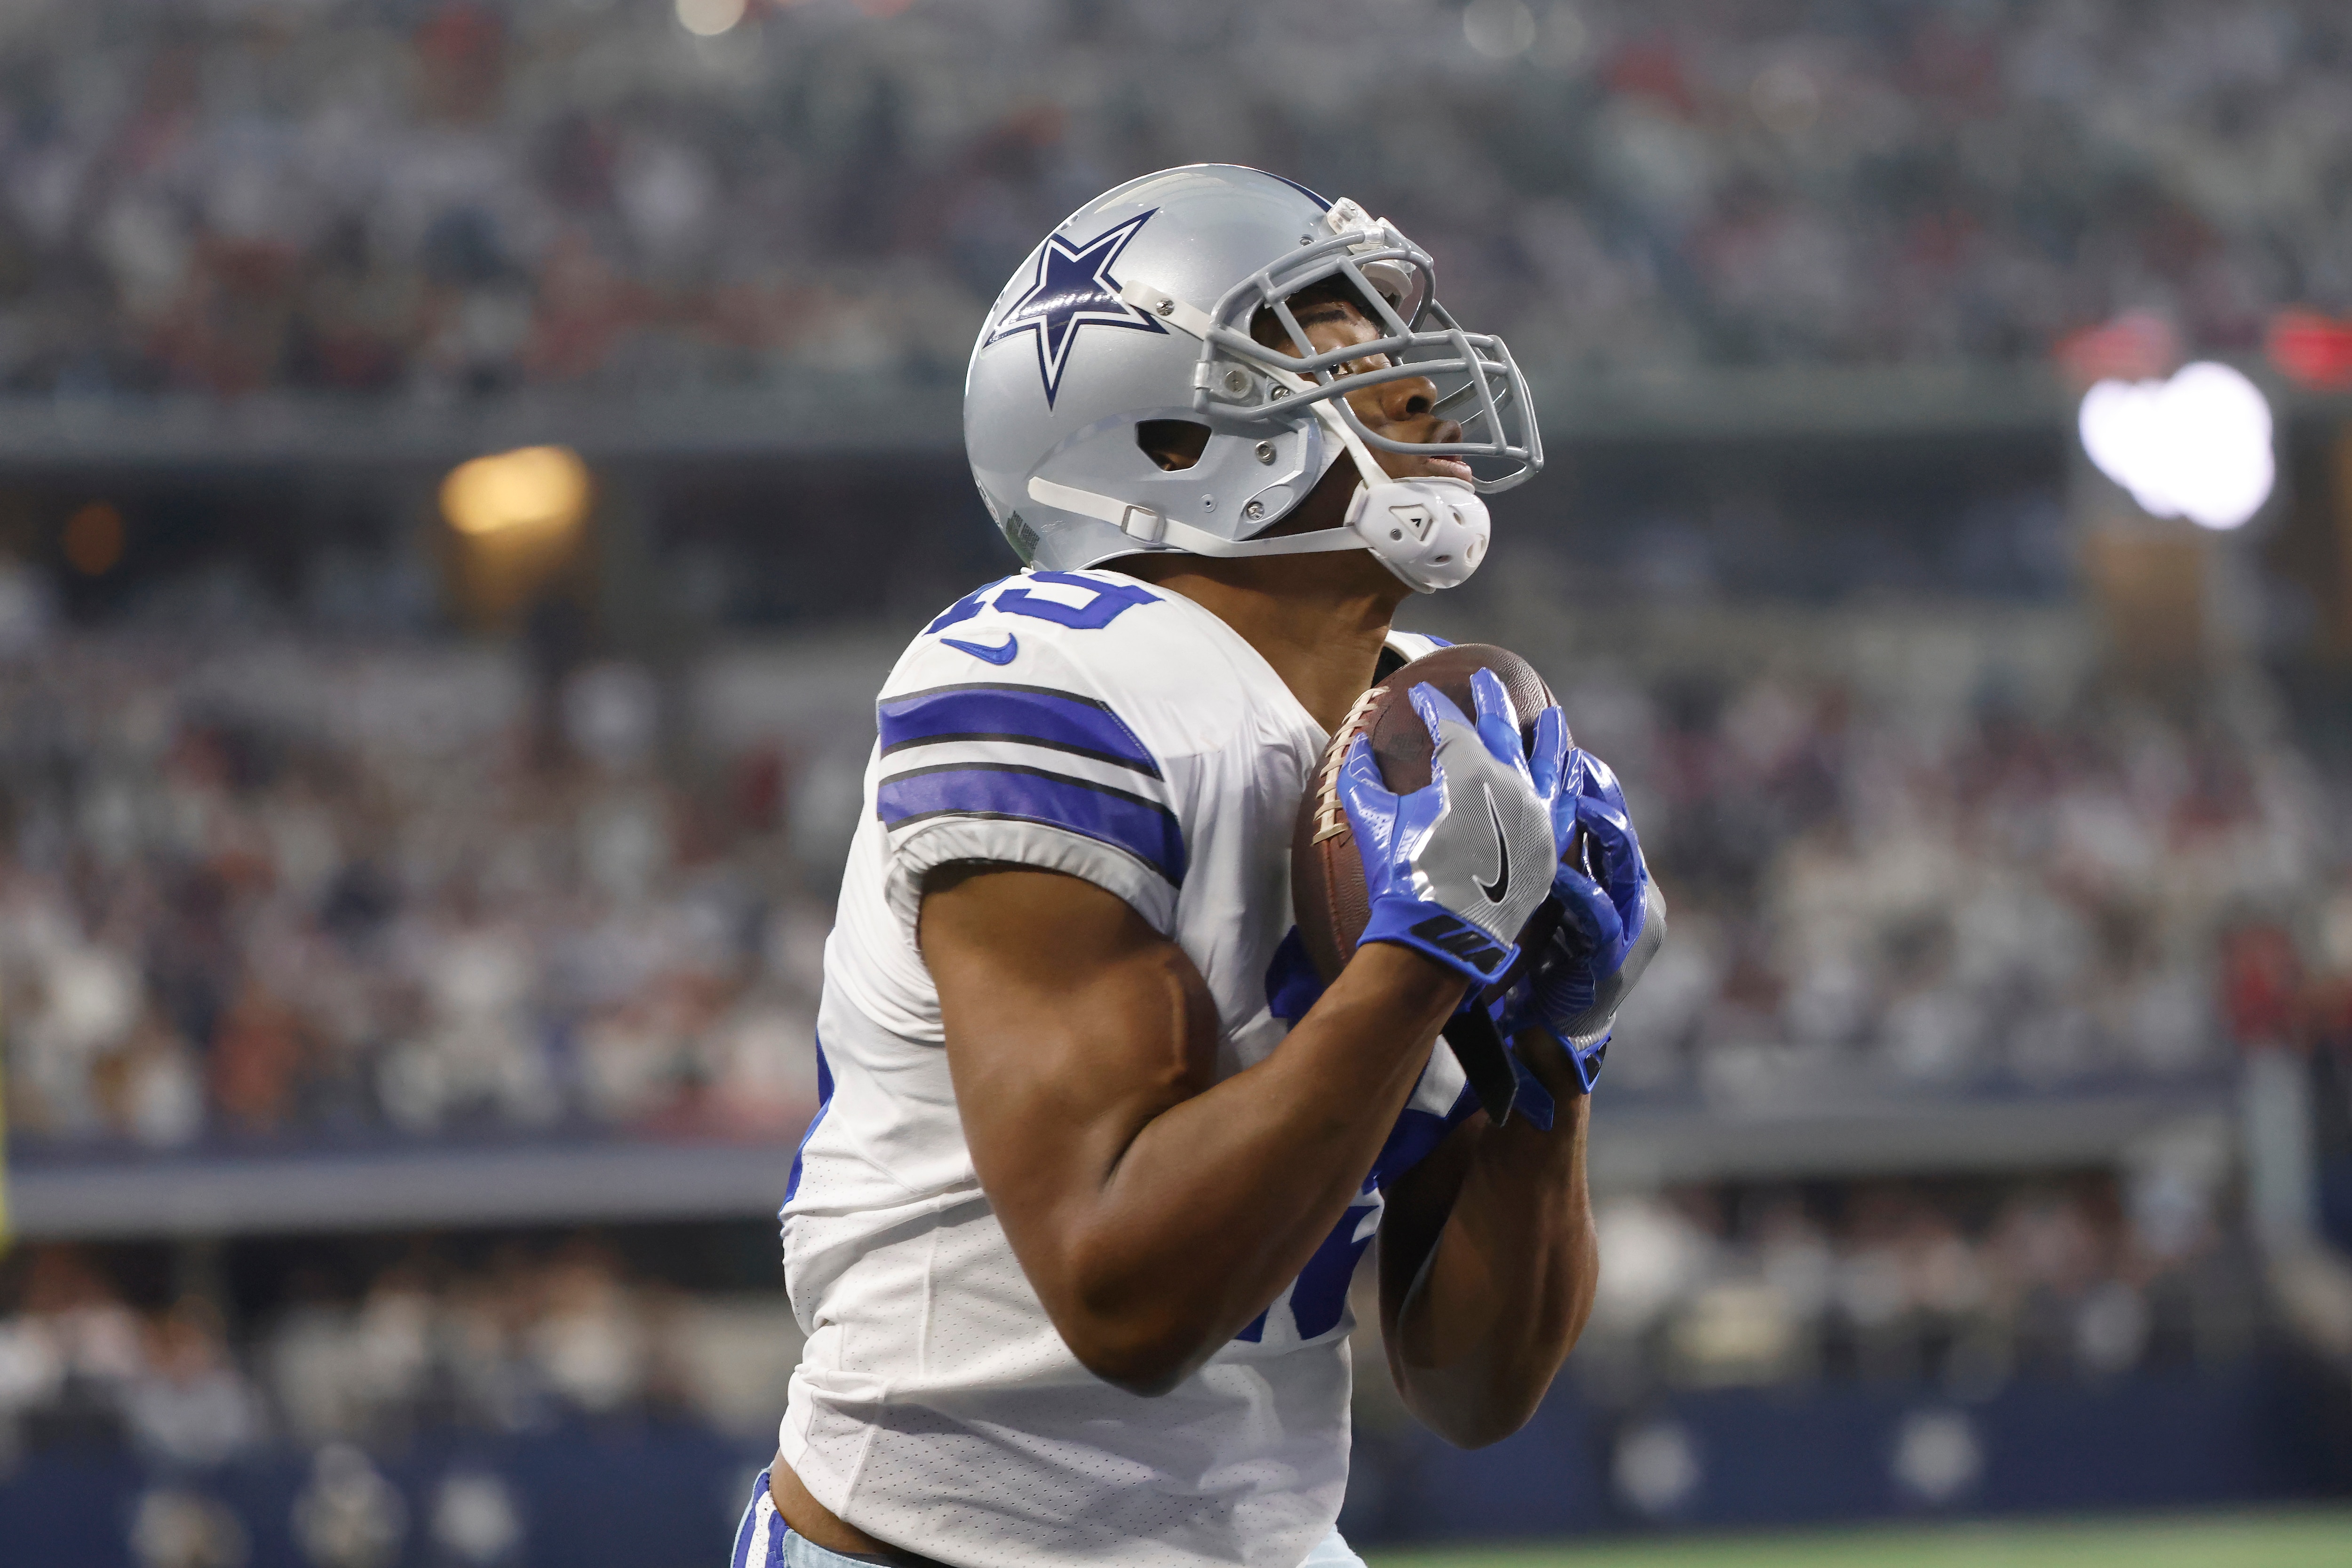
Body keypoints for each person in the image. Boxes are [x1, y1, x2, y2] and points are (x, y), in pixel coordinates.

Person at [736, 166, 1663, 1568]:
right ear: (1170, 437)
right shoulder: (1047, 681)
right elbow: (1126, 1304)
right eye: (1337, 344)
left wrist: (1553, 1064)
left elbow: (1475, 1390)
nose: (1419, 385)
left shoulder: (1422, 730)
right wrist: (1420, 965)